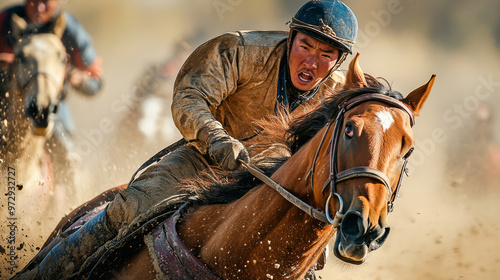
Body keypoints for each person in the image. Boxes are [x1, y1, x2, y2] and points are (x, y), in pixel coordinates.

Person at [22, 0, 358, 279]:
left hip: (274, 182)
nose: (312, 61)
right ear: (291, 36)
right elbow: (189, 98)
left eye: (326, 54)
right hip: (204, 160)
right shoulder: (239, 50)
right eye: (305, 46)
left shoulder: (342, 91)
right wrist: (218, 140)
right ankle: (44, 274)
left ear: (340, 59)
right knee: (131, 207)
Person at [0, 0, 103, 189]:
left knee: (66, 154)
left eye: (46, 2)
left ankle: (71, 211)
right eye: (33, 1)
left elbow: (96, 82)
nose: (39, 8)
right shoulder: (5, 20)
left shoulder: (70, 29)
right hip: (6, 100)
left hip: (53, 103)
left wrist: (75, 77)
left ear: (57, 2)